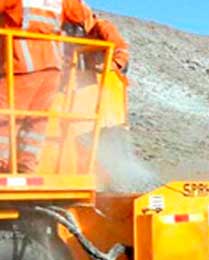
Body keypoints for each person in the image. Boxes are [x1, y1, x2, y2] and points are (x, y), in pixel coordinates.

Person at [0, 1, 128, 173]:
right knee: (37, 120)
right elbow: (91, 20)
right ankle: (26, 165)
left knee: (6, 116)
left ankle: (1, 162)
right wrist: (119, 51)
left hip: (21, 62)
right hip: (53, 68)